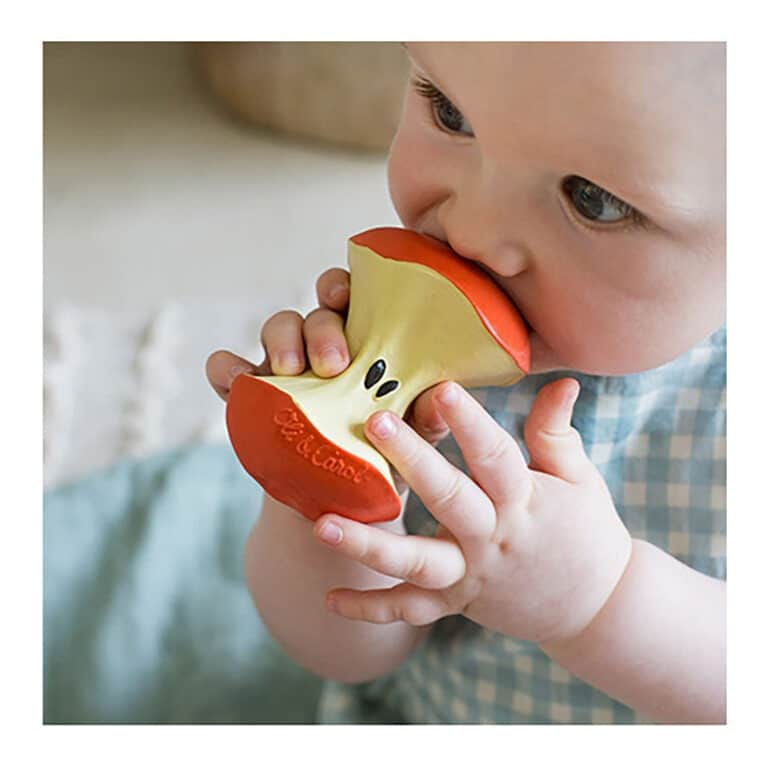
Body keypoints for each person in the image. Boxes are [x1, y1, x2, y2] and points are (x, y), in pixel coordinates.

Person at [206, 42, 726, 724]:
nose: (472, 234)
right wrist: (320, 493)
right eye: (450, 112)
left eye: (593, 200)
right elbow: (343, 650)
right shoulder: (407, 362)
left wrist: (601, 601)